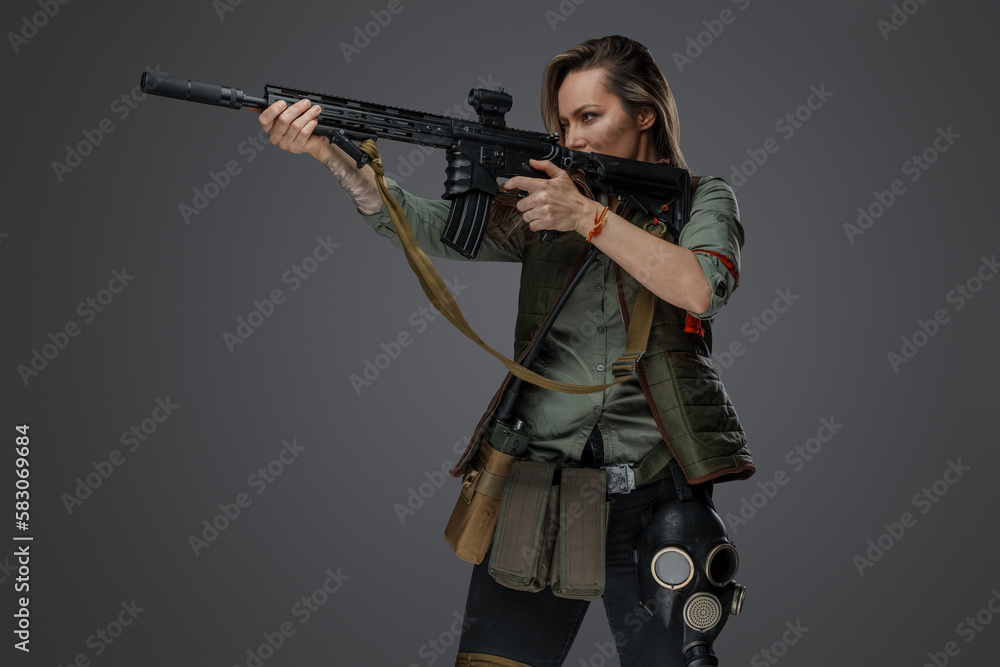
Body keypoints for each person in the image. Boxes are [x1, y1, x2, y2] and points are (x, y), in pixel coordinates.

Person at [258, 35, 754, 667]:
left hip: (657, 498)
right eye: (564, 121)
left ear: (644, 114)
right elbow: (434, 229)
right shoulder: (550, 199)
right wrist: (340, 163)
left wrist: (588, 219)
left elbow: (699, 287)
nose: (572, 139)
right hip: (539, 491)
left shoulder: (698, 199)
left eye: (589, 117)